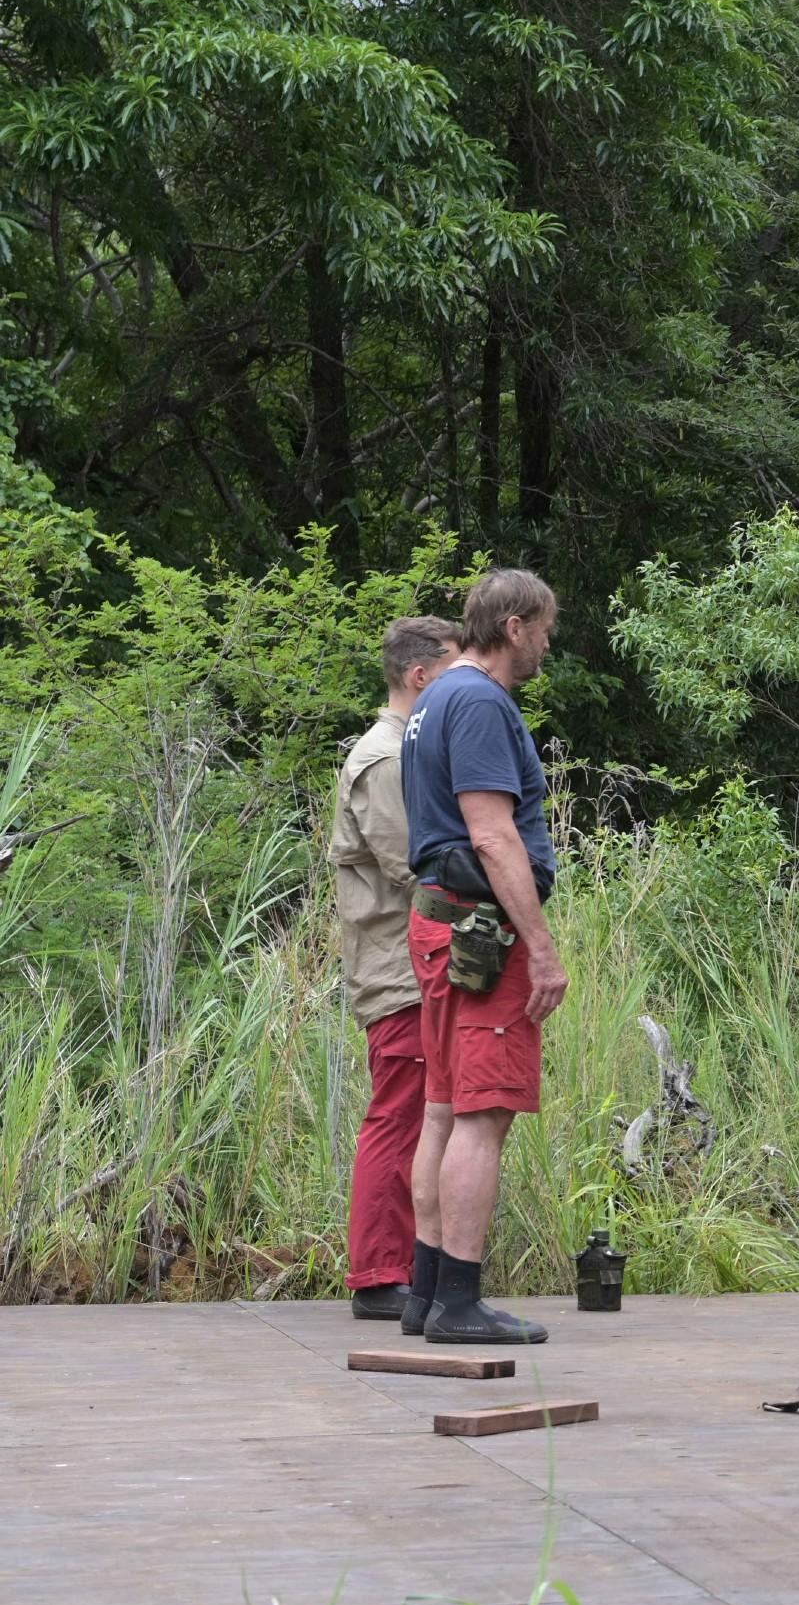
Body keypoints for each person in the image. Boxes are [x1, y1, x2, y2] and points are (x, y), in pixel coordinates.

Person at [399, 569, 567, 1344]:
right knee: (482, 1116)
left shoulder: (433, 696)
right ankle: (459, 1303)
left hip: (438, 921)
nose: (545, 645)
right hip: (478, 933)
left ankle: (427, 1290)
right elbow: (492, 833)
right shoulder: (477, 702)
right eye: (543, 630)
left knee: (442, 1108)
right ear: (514, 626)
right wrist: (540, 948)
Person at [329, 616, 464, 1320]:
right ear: (419, 676)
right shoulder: (384, 758)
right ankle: (380, 1274)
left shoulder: (400, 751)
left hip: (415, 963)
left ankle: (412, 1268)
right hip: (397, 968)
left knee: (423, 1114)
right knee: (401, 1114)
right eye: (449, 673)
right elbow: (416, 863)